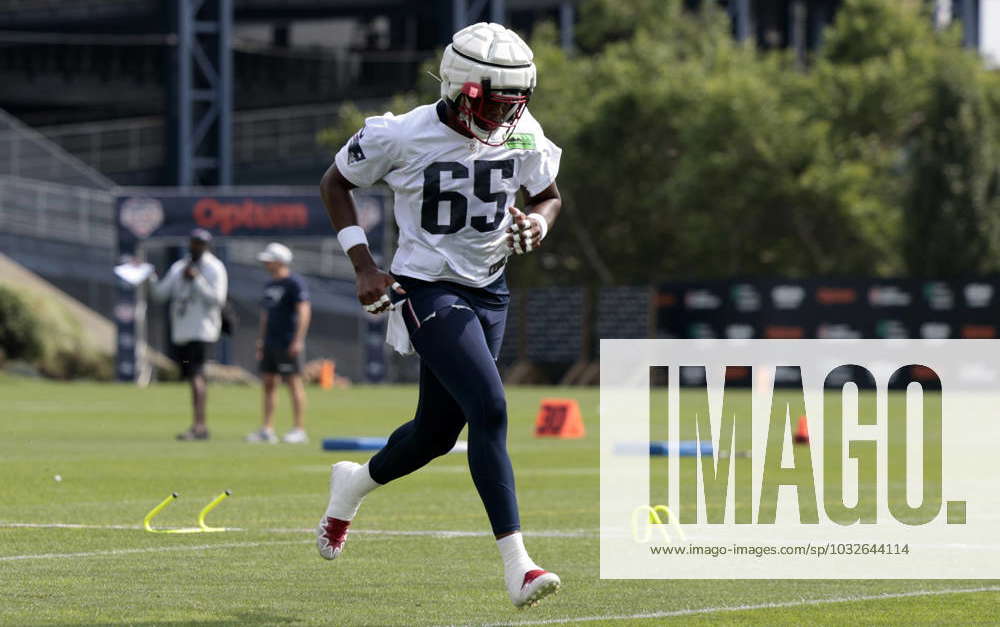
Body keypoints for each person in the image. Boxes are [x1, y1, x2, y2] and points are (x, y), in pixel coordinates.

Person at [316, 22, 562, 608]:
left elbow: (548, 193)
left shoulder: (520, 130)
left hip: (489, 290)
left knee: (434, 434)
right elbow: (335, 182)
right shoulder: (399, 135)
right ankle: (518, 565)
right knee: (490, 407)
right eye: (496, 104)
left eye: (513, 105)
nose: (505, 119)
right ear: (461, 89)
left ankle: (352, 485)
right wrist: (364, 265)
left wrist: (538, 224)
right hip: (428, 288)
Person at [150, 229, 228, 441]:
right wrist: (148, 276)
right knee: (192, 376)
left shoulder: (214, 268)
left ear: (207, 246)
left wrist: (198, 280)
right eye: (194, 243)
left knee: (197, 375)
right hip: (182, 330)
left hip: (203, 330)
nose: (196, 248)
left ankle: (200, 427)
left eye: (200, 244)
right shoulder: (179, 266)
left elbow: (217, 300)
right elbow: (160, 294)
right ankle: (198, 425)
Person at [246, 242, 312, 444]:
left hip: (287, 341)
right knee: (268, 383)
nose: (266, 263)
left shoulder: (294, 283)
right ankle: (267, 429)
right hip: (270, 342)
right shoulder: (270, 284)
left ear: (280, 261)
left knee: (293, 383)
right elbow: (266, 314)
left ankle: (299, 429)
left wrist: (298, 340)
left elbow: (304, 311)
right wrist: (261, 340)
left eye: (269, 260)